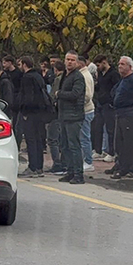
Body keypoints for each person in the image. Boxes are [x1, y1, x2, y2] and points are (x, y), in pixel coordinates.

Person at [56, 51, 87, 184]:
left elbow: (75, 94)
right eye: (67, 59)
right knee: (65, 145)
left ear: (77, 62)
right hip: (63, 115)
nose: (69, 62)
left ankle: (78, 174)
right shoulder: (65, 75)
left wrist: (60, 94)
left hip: (74, 116)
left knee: (74, 145)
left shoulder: (78, 77)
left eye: (72, 60)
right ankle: (70, 172)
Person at [15, 56, 49, 177]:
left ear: (24, 65)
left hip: (30, 113)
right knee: (39, 140)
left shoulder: (27, 78)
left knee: (31, 140)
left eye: (20, 65)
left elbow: (28, 97)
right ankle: (39, 167)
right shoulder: (38, 76)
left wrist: (24, 112)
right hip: (40, 112)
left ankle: (32, 167)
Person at [93, 55, 120, 163]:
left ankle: (112, 152)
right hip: (100, 103)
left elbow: (117, 87)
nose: (98, 67)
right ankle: (98, 150)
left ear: (104, 62)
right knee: (97, 127)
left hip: (108, 104)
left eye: (99, 65)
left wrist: (111, 100)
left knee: (110, 129)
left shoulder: (113, 74)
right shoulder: (100, 74)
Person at [77, 56, 96, 172]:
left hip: (86, 110)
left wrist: (78, 103)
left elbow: (87, 95)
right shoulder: (82, 75)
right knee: (82, 137)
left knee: (84, 137)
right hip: (84, 110)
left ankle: (88, 161)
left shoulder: (85, 76)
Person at [47, 61, 66, 174]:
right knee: (62, 138)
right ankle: (64, 162)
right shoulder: (67, 78)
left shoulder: (58, 79)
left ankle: (57, 163)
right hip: (62, 112)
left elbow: (53, 95)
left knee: (52, 139)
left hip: (56, 112)